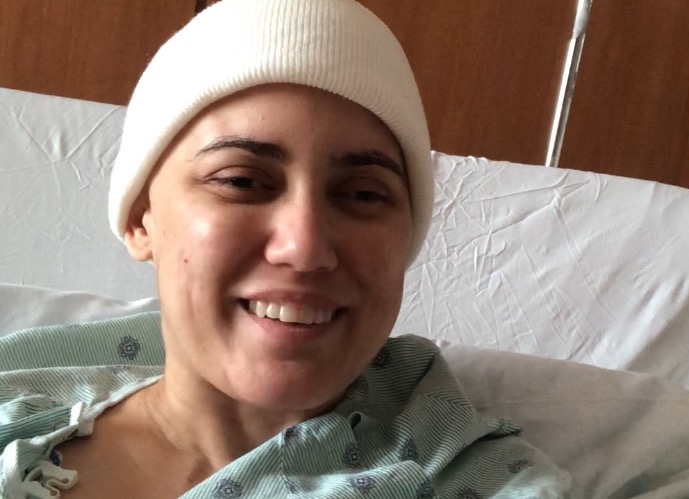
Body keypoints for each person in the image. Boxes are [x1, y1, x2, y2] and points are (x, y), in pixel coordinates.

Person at [0, 0, 571, 497]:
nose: (305, 247)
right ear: (138, 219)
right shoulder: (21, 405)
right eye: (242, 181)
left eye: (363, 194)